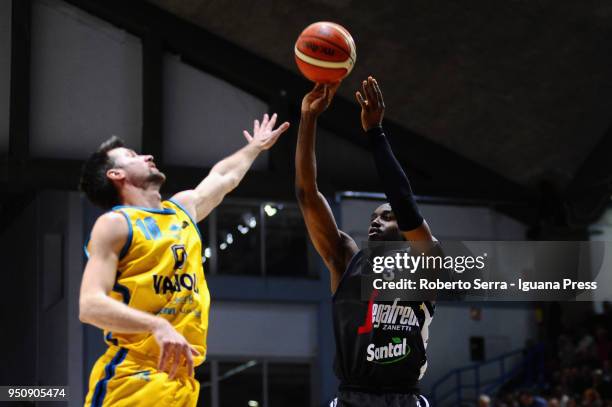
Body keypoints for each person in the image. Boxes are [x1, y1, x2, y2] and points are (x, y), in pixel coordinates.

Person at [78, 113, 289, 407]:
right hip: (133, 378)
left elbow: (223, 177)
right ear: (116, 175)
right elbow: (89, 306)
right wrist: (158, 326)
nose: (148, 156)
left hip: (182, 382)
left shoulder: (182, 210)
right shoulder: (116, 224)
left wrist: (254, 148)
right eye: (132, 156)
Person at [295, 76, 438, 407]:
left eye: (386, 216)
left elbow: (405, 203)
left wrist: (376, 134)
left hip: (403, 399)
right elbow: (306, 195)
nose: (376, 220)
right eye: (373, 217)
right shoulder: (347, 259)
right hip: (351, 398)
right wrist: (309, 117)